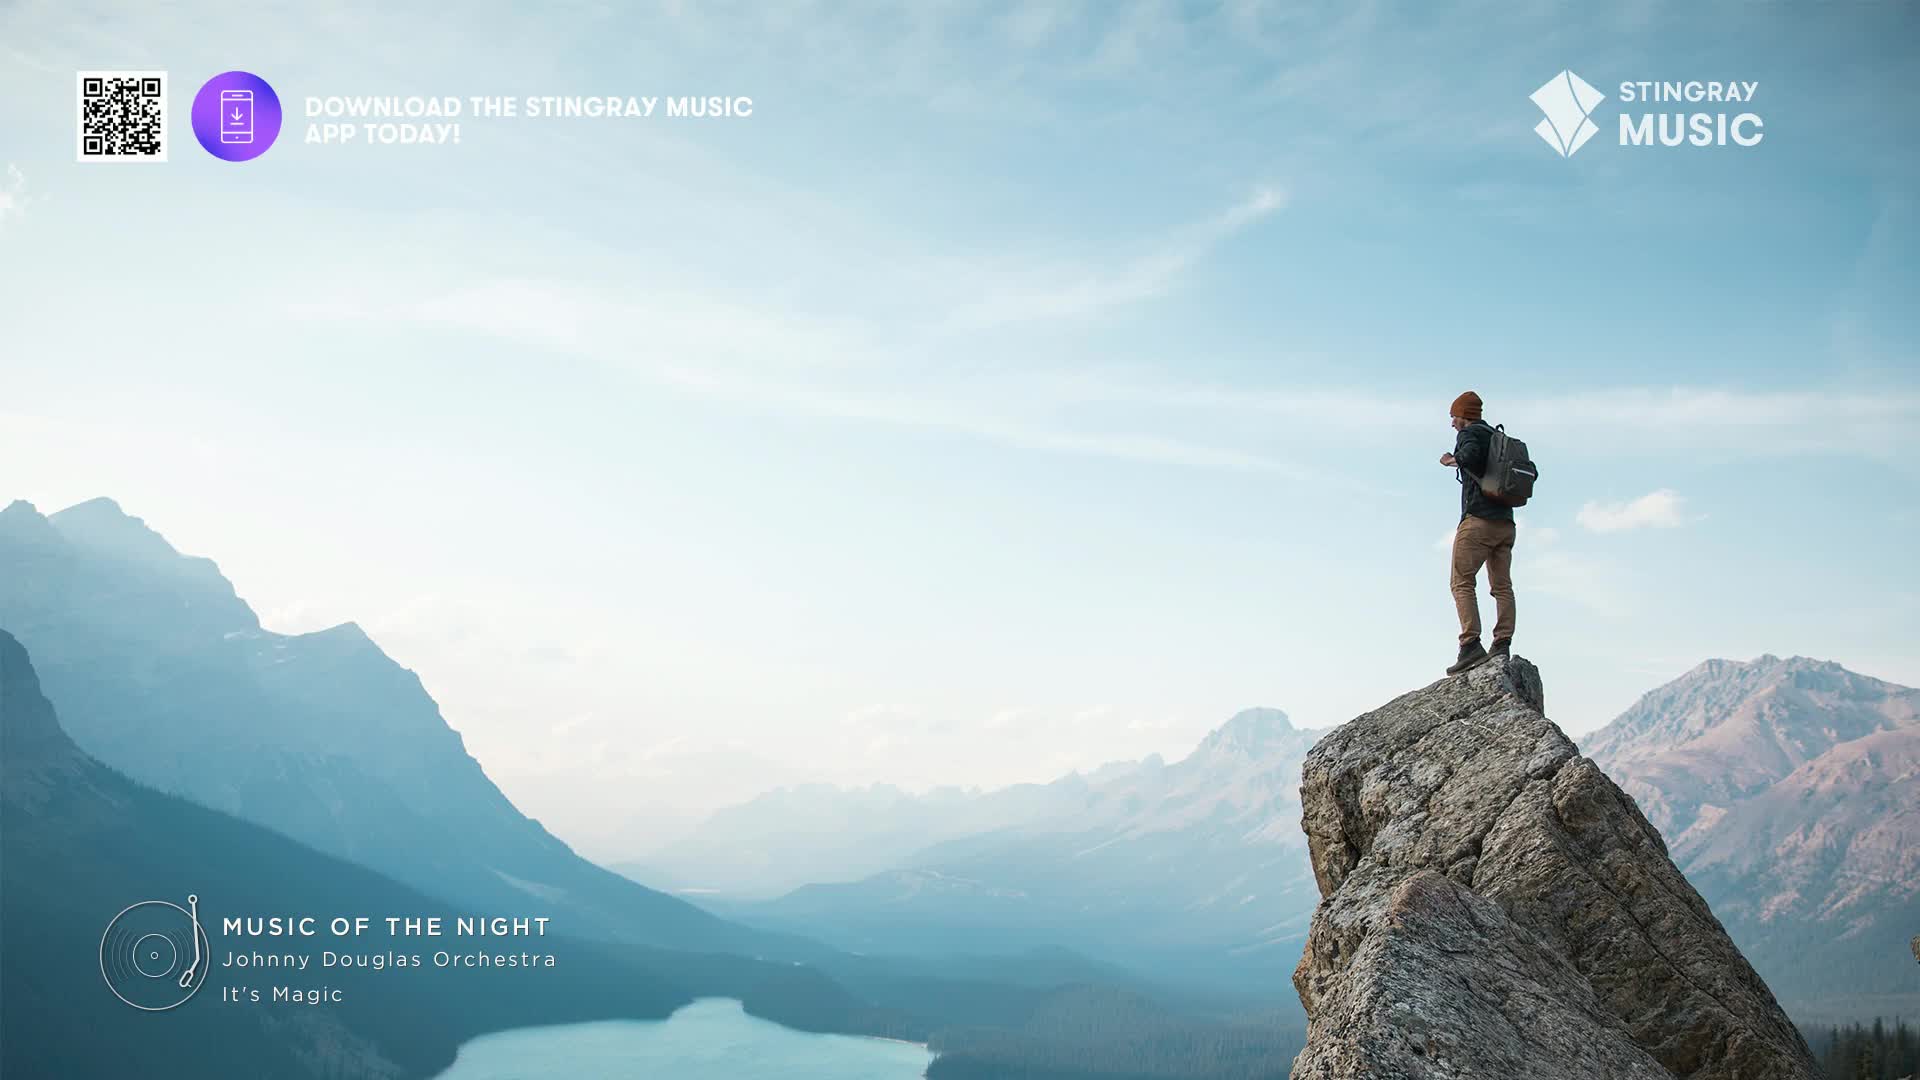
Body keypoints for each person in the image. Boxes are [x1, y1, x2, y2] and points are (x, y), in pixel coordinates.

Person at [1438, 391, 1515, 674]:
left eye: (1454, 416)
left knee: (1461, 581)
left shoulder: (1469, 435)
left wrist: (1450, 460)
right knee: (1502, 586)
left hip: (1478, 521)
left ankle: (1470, 645)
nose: (1452, 423)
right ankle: (1502, 642)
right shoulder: (1498, 437)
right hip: (1506, 524)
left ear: (1465, 416)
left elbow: (1468, 457)